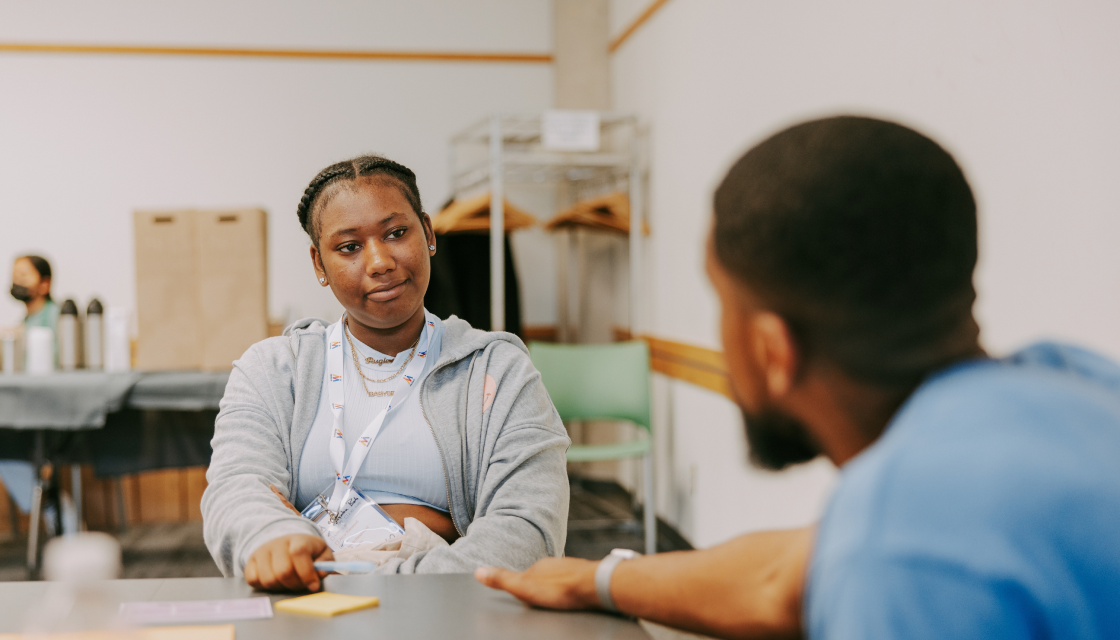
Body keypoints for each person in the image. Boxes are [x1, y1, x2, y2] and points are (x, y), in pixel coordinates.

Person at [476, 116, 1120, 639]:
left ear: (771, 349)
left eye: (721, 303)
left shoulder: (899, 546)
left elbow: (872, 556)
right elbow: (780, 578)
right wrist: (598, 582)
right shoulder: (1071, 380)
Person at [202, 155, 571, 593]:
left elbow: (527, 530)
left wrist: (364, 580)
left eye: (396, 233)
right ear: (319, 264)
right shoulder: (274, 369)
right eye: (349, 247)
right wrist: (274, 539)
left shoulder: (499, 371)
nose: (379, 262)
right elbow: (237, 488)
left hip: (449, 609)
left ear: (429, 234)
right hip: (310, 609)